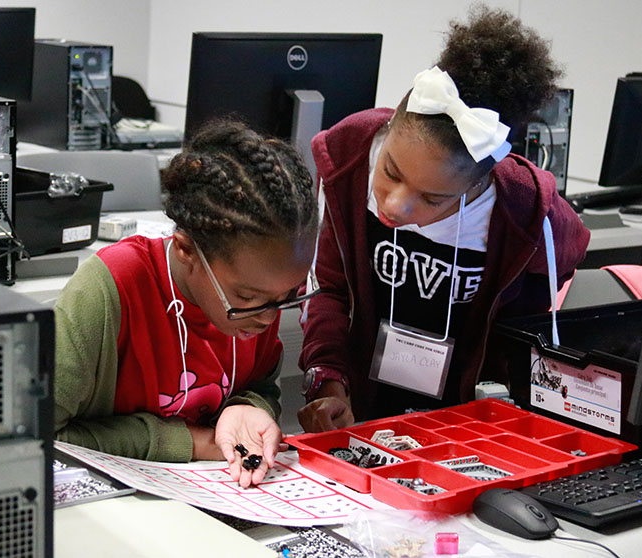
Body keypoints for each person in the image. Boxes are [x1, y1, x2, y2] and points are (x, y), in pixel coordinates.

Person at [297, 5, 590, 433]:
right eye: (391, 172)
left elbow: (553, 277)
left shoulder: (522, 212)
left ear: (479, 183)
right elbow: (330, 289)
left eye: (433, 199)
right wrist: (328, 379)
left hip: (467, 425)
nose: (396, 206)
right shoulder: (351, 161)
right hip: (363, 408)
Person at [54, 118, 319, 487]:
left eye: (287, 296)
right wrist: (190, 442)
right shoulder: (108, 291)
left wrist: (248, 408)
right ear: (185, 250)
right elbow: (36, 434)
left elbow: (261, 384)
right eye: (247, 297)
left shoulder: (260, 294)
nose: (267, 317)